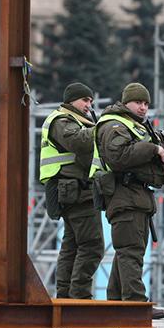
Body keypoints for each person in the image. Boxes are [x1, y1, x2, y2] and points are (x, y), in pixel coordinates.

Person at [89, 82, 164, 320]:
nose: (143, 108)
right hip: (124, 197)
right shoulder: (114, 125)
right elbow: (119, 158)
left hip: (136, 197)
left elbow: (142, 169)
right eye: (138, 102)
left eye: (146, 104)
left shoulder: (135, 127)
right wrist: (152, 149)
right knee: (131, 252)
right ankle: (135, 305)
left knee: (126, 253)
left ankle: (116, 303)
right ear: (126, 102)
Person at [39, 82, 104, 299]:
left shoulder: (75, 120)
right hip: (76, 191)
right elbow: (78, 142)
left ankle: (66, 297)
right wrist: (104, 127)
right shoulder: (62, 120)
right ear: (71, 101)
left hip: (76, 190)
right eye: (85, 100)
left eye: (90, 101)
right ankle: (80, 298)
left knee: (72, 246)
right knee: (92, 246)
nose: (89, 105)